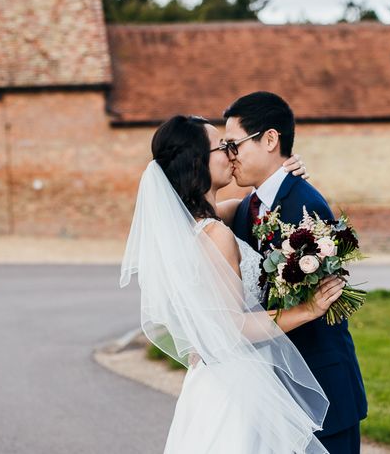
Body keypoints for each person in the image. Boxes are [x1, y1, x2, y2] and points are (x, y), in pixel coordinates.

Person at [121, 115, 346, 453]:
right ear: (198, 161)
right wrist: (307, 309)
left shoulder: (196, 225)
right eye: (222, 147)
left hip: (209, 381)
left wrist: (282, 176)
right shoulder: (215, 235)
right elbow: (234, 326)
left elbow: (254, 207)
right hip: (236, 387)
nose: (231, 154)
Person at [224, 91, 367, 454]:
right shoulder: (248, 209)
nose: (230, 156)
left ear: (270, 139)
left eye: (234, 145)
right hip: (276, 388)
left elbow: (321, 300)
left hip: (322, 386)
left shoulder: (305, 204)